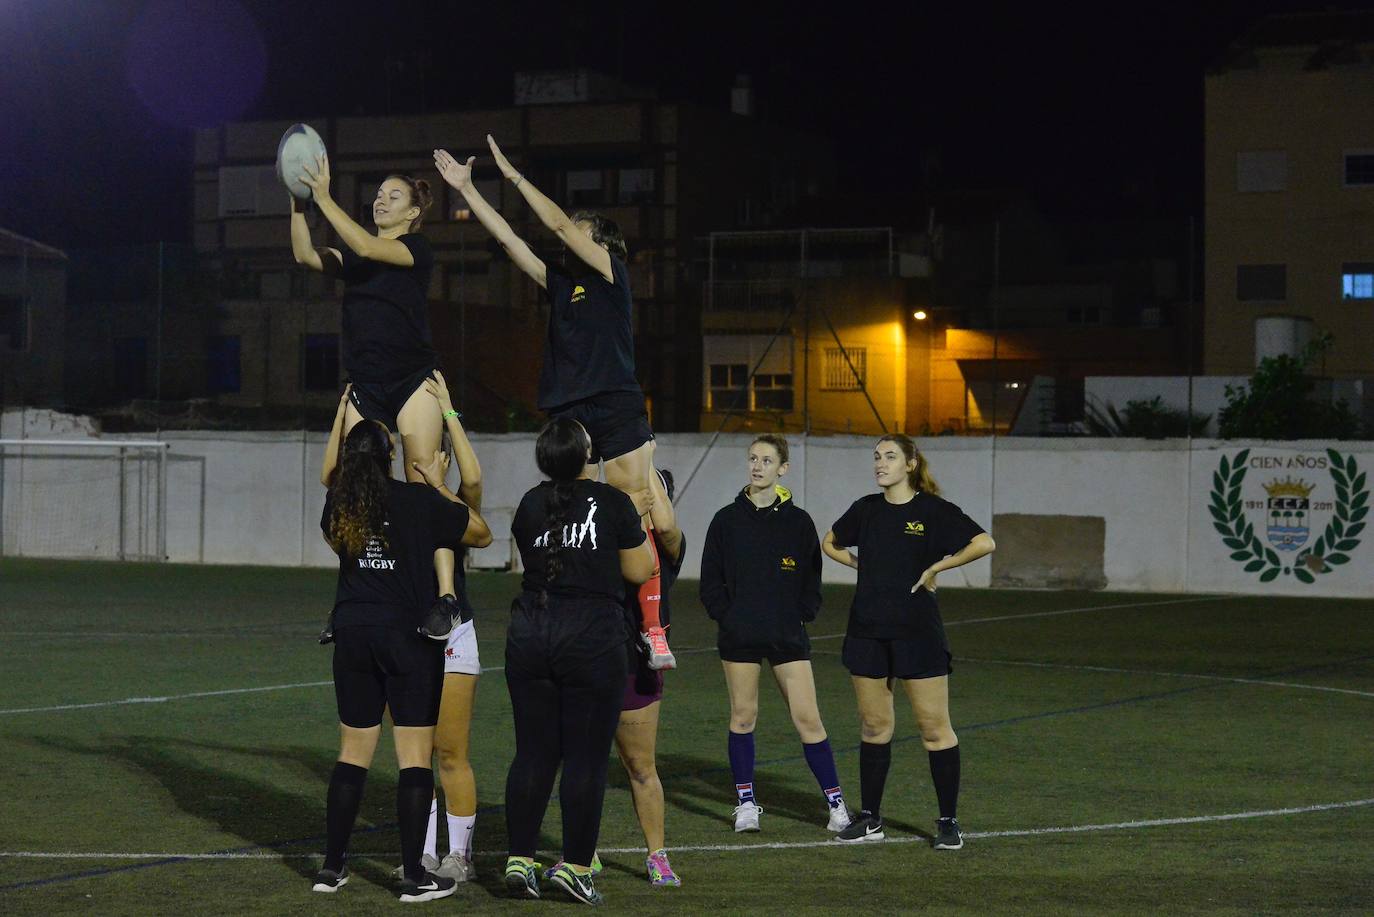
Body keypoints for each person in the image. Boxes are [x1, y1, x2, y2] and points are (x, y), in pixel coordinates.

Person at [433, 142, 674, 670]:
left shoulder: (612, 275)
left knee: (636, 508)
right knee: (578, 514)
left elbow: (560, 226)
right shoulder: (561, 284)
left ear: (602, 241)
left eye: (580, 227)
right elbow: (511, 240)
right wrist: (470, 191)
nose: (568, 232)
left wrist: (515, 177)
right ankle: (591, 610)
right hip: (571, 413)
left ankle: (654, 629)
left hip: (615, 402)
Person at [311, 419, 491, 902]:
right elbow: (481, 534)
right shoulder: (416, 500)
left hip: (351, 632)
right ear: (390, 457)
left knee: (352, 753)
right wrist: (437, 486)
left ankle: (331, 869)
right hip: (404, 637)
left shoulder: (341, 504)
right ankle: (415, 875)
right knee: (414, 758)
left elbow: (339, 545)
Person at [292, 154, 464, 640]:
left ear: (413, 212)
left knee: (423, 483)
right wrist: (296, 202)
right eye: (378, 194)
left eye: (393, 196)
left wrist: (325, 196)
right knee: (353, 488)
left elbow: (365, 242)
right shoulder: (357, 257)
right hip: (365, 385)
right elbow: (306, 256)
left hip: (413, 380)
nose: (380, 200)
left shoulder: (416, 249)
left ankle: (444, 598)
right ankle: (351, 595)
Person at [503, 417, 656, 906]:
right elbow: (640, 569)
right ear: (587, 455)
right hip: (590, 637)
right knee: (586, 759)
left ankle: (520, 860)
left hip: (530, 634)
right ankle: (575, 867)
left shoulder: (530, 502)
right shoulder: (611, 502)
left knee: (533, 752)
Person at [821, 434, 995, 850]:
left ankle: (948, 822)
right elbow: (829, 541)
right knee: (875, 725)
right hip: (867, 630)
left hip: (918, 633)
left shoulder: (933, 511)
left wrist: (938, 565)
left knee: (934, 728)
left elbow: (984, 542)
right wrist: (861, 564)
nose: (880, 463)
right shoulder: (865, 509)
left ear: (911, 464)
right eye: (877, 457)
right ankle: (871, 818)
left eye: (890, 456)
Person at [700, 434, 850, 835]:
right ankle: (746, 803)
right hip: (740, 636)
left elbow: (811, 578)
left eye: (766, 460)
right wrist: (728, 617)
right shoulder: (725, 520)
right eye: (752, 458)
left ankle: (836, 805)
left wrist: (802, 614)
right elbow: (710, 580)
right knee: (743, 717)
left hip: (787, 635)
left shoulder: (799, 522)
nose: (757, 466)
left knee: (808, 720)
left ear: (782, 468)